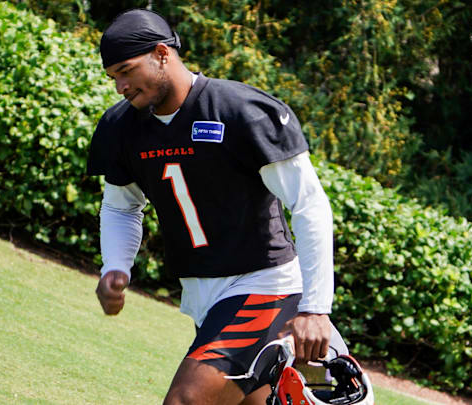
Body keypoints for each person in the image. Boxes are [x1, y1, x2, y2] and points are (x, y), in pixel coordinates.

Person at [86, 9, 338, 405]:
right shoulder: (122, 127)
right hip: (204, 297)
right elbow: (121, 207)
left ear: (162, 53)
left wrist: (316, 307)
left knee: (187, 400)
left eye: (126, 70)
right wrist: (115, 266)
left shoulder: (240, 110)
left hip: (264, 285)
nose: (120, 86)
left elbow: (309, 204)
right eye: (112, 77)